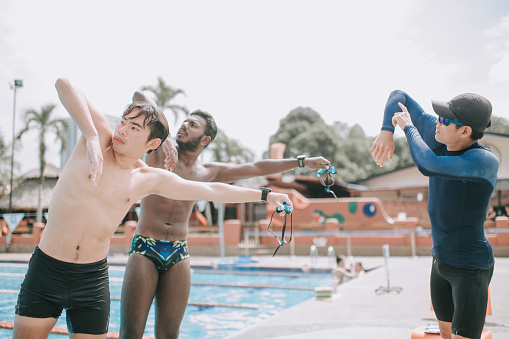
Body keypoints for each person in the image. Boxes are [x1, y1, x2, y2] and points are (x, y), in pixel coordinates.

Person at [12, 78, 293, 339]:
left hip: (92, 280)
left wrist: (264, 195)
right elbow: (64, 83)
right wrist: (92, 137)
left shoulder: (147, 179)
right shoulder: (97, 137)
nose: (122, 130)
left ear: (153, 143)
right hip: (47, 269)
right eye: (123, 122)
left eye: (134, 128)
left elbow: (211, 190)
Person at [119, 91, 331, 339]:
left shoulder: (207, 172)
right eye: (185, 121)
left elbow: (256, 166)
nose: (185, 126)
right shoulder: (159, 152)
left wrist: (302, 161)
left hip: (179, 252)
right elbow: (139, 96)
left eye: (193, 125)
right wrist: (163, 135)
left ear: (205, 139)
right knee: (131, 334)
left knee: (169, 334)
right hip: (146, 246)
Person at [371, 90, 498, 339]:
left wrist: (408, 128)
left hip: (470, 269)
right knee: (444, 335)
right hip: (439, 262)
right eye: (439, 117)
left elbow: (429, 164)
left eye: (445, 120)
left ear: (465, 131)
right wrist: (387, 129)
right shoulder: (443, 136)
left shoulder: (483, 160)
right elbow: (399, 96)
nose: (437, 122)